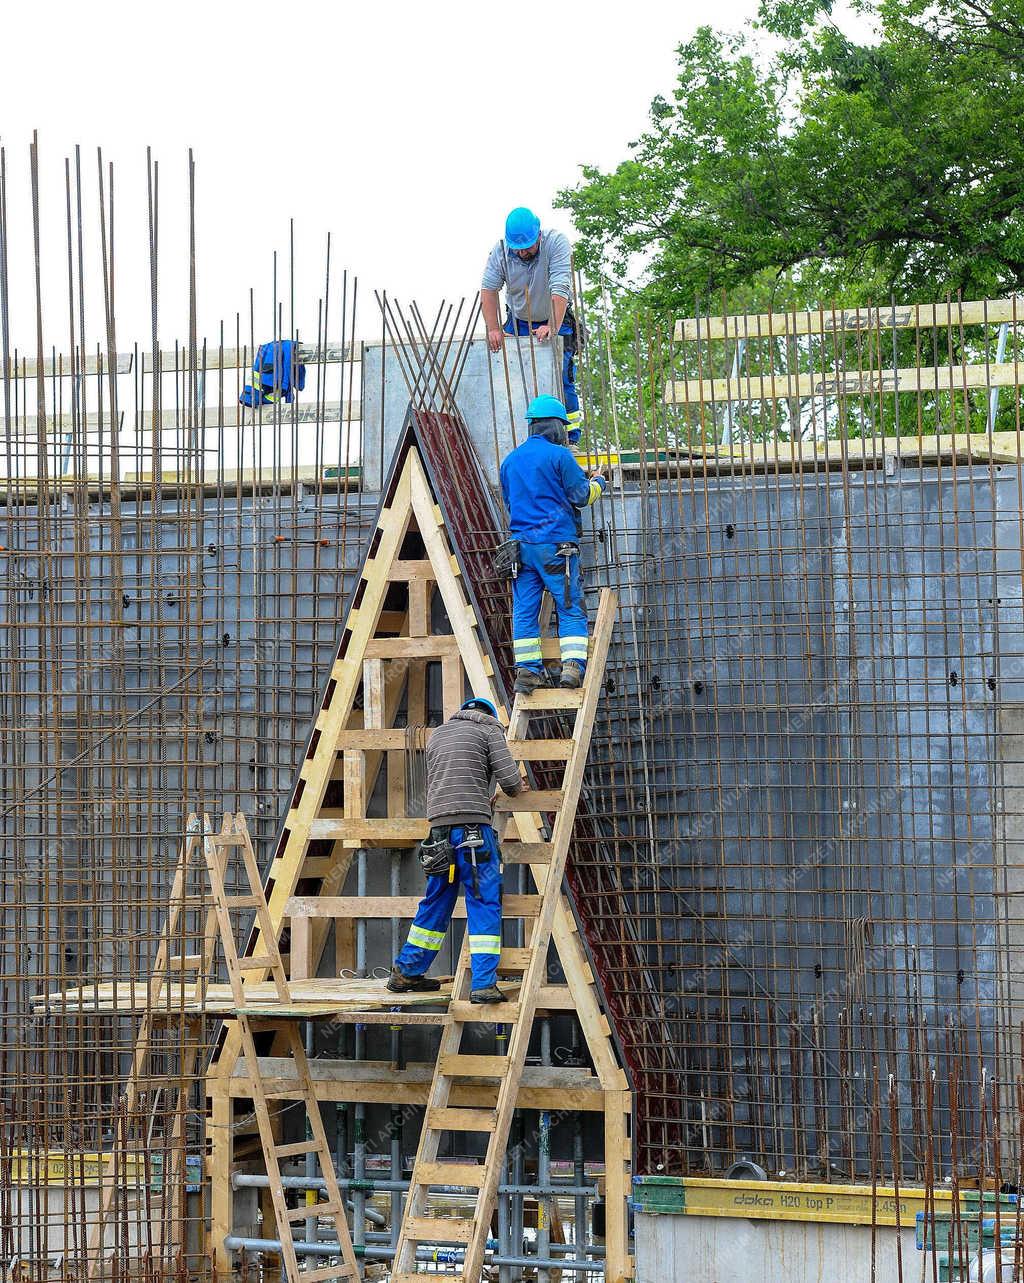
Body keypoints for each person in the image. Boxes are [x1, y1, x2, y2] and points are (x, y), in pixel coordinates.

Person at [388, 697, 525, 1004]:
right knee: (483, 902)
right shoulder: (490, 730)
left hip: (438, 835)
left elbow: (450, 780)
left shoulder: (439, 734)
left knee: (436, 901)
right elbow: (512, 783)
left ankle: (406, 971)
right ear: (487, 715)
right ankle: (483, 985)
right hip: (473, 836)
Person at [499, 395, 606, 695]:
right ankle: (572, 666)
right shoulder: (560, 457)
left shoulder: (510, 462)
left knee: (524, 611)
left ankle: (528, 672)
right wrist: (599, 482)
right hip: (556, 547)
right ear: (557, 426)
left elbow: (511, 503)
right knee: (569, 607)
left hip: (521, 550)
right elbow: (581, 496)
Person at [481, 207, 583, 439]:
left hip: (556, 317)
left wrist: (552, 326)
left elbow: (559, 289)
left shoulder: (556, 243)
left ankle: (570, 437)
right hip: (518, 320)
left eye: (528, 246)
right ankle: (518, 436)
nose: (524, 252)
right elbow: (488, 290)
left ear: (538, 235)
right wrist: (494, 328)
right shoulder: (500, 252)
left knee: (562, 377)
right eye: (518, 249)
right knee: (513, 378)